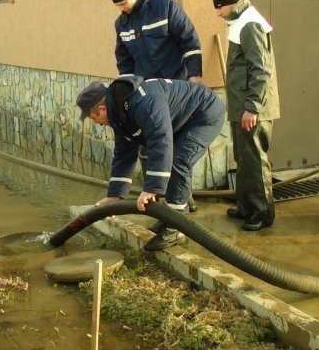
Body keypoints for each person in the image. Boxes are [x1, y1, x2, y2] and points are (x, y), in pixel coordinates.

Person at [76, 76, 225, 251]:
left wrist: (151, 188)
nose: (96, 123)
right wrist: (115, 195)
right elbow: (124, 155)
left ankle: (175, 227)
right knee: (171, 160)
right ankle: (169, 218)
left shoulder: (143, 102)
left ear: (102, 109)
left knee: (179, 161)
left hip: (204, 113)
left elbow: (160, 140)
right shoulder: (119, 113)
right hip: (182, 119)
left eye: (93, 118)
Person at [110, 0, 203, 217]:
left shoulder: (165, 7)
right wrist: (126, 91)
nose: (122, 9)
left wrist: (194, 76)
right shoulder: (122, 25)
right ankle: (156, 198)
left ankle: (182, 198)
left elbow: (190, 40)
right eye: (118, 6)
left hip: (174, 89)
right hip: (146, 93)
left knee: (174, 147)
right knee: (148, 148)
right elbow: (124, 61)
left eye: (124, 3)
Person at [212, 0, 280, 231]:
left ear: (229, 4)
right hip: (243, 106)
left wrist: (252, 107)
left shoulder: (250, 24)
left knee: (254, 160)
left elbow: (260, 69)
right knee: (243, 158)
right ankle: (246, 207)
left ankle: (262, 213)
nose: (218, 14)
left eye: (219, 8)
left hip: (253, 109)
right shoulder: (241, 21)